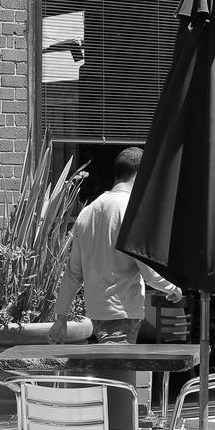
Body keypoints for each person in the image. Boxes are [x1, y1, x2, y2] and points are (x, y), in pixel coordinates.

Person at [49, 147, 184, 345]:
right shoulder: (133, 211)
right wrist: (171, 287)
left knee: (111, 372)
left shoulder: (87, 213)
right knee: (120, 374)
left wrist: (61, 317)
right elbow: (146, 266)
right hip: (122, 310)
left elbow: (73, 273)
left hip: (97, 313)